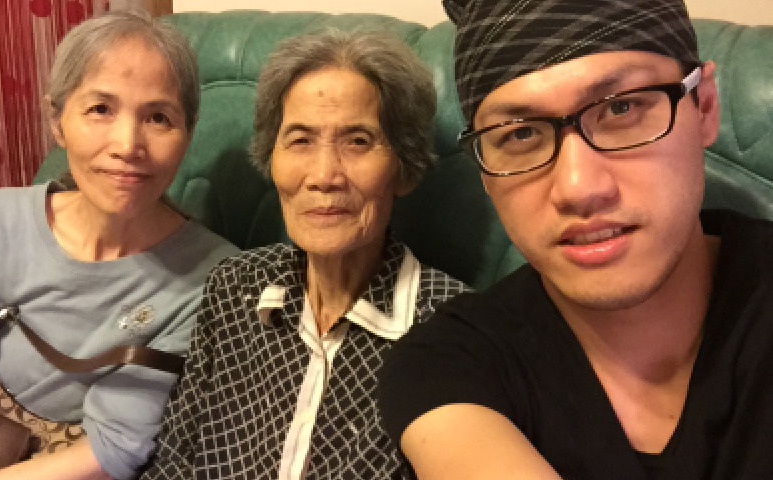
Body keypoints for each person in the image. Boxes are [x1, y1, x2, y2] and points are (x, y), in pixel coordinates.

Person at [377, 0, 773, 478]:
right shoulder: (451, 362)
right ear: (484, 172)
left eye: (622, 107)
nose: (579, 188)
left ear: (704, 106)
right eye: (520, 134)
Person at [0, 10, 238, 480]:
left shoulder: (213, 281)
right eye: (100, 109)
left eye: (158, 117)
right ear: (58, 121)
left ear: (187, 133)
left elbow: (112, 450)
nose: (127, 145)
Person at [140, 29, 469, 480]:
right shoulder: (234, 288)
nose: (323, 175)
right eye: (300, 140)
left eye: (358, 140)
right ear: (270, 157)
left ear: (403, 168)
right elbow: (175, 461)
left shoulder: (453, 333)